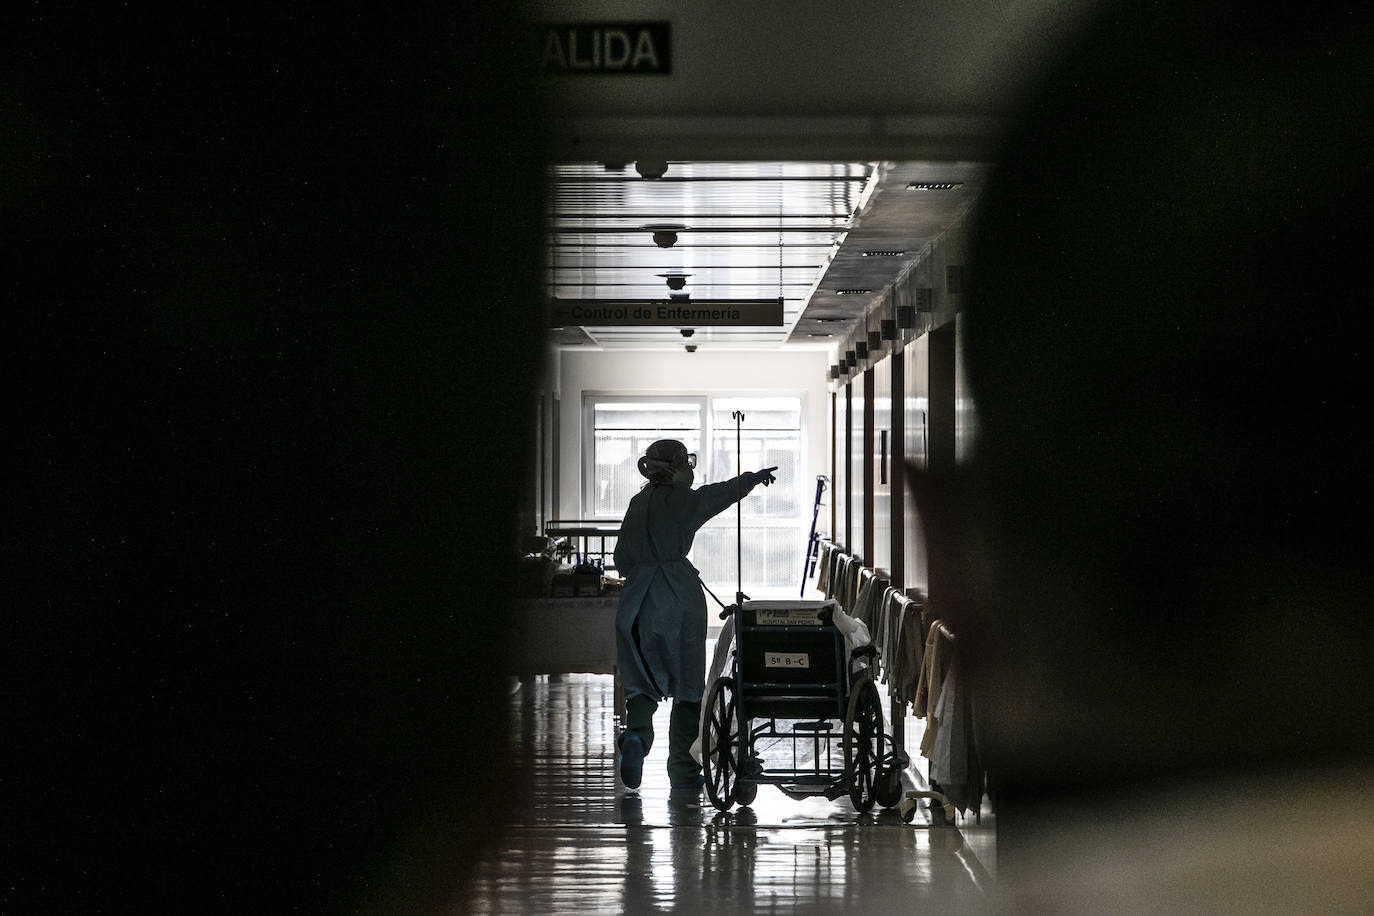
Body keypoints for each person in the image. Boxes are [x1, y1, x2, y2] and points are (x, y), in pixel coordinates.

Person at [613, 439, 776, 795]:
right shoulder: (685, 503)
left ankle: (637, 738)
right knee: (688, 686)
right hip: (679, 600)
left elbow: (620, 557)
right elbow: (716, 496)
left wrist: (644, 569)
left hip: (636, 602)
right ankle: (684, 769)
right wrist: (750, 479)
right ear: (676, 466)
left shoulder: (637, 503)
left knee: (640, 683)